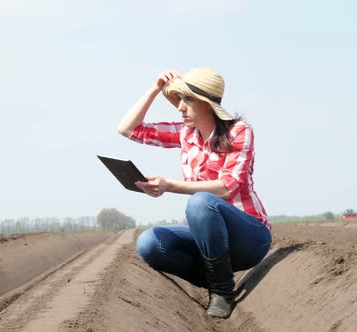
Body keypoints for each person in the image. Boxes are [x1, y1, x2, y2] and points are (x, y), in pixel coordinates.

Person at [117, 67, 272, 319]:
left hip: (249, 236)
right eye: (179, 99)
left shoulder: (239, 131)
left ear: (208, 104)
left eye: (188, 99)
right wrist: (154, 89)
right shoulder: (185, 134)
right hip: (210, 236)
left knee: (201, 203)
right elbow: (127, 129)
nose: (180, 107)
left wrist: (170, 186)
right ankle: (213, 278)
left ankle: (222, 292)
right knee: (149, 243)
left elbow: (226, 186)